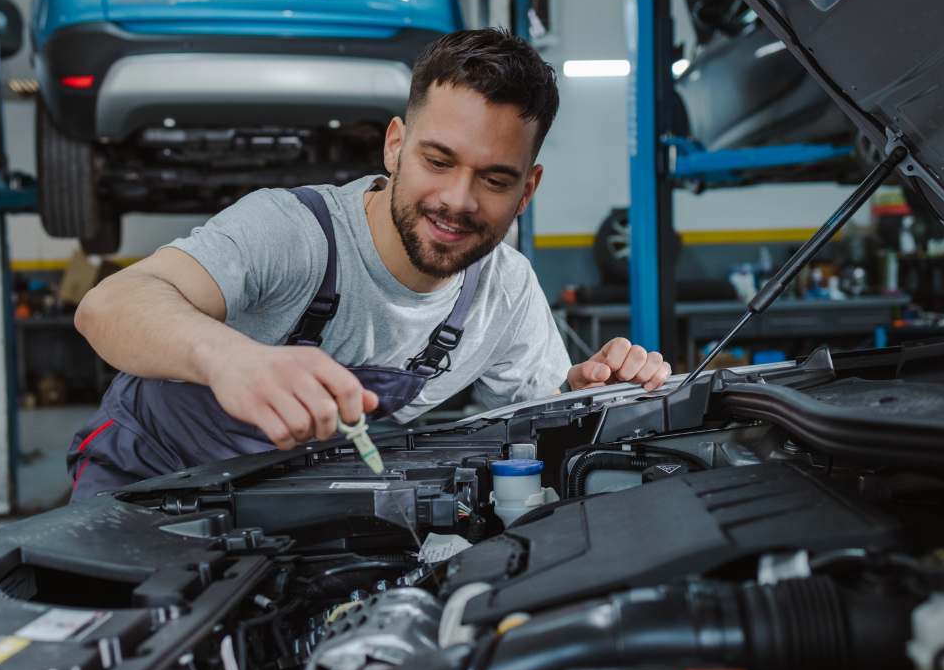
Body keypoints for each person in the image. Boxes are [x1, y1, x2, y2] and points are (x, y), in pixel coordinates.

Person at [67, 28, 671, 499]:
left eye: (493, 179)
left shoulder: (503, 293)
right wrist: (231, 360)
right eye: (438, 161)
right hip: (148, 481)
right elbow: (110, 305)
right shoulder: (294, 233)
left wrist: (587, 393)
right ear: (395, 145)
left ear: (527, 190)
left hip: (292, 499)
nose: (458, 201)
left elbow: (537, 421)